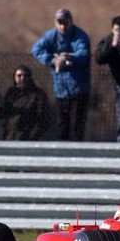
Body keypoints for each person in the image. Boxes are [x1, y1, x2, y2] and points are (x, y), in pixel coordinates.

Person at [31, 8, 91, 141]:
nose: (63, 26)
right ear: (55, 23)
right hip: (60, 89)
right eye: (60, 23)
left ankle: (78, 155)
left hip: (79, 89)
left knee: (77, 124)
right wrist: (53, 60)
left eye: (66, 23)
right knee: (62, 124)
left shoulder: (80, 36)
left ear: (71, 22)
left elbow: (83, 54)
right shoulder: (50, 36)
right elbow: (36, 49)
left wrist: (70, 58)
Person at [0, 65, 51, 140]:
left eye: (25, 76)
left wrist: (33, 137)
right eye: (19, 76)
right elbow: (5, 113)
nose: (22, 78)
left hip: (27, 134)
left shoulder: (38, 94)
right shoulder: (12, 92)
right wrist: (0, 103)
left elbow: (43, 118)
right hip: (10, 134)